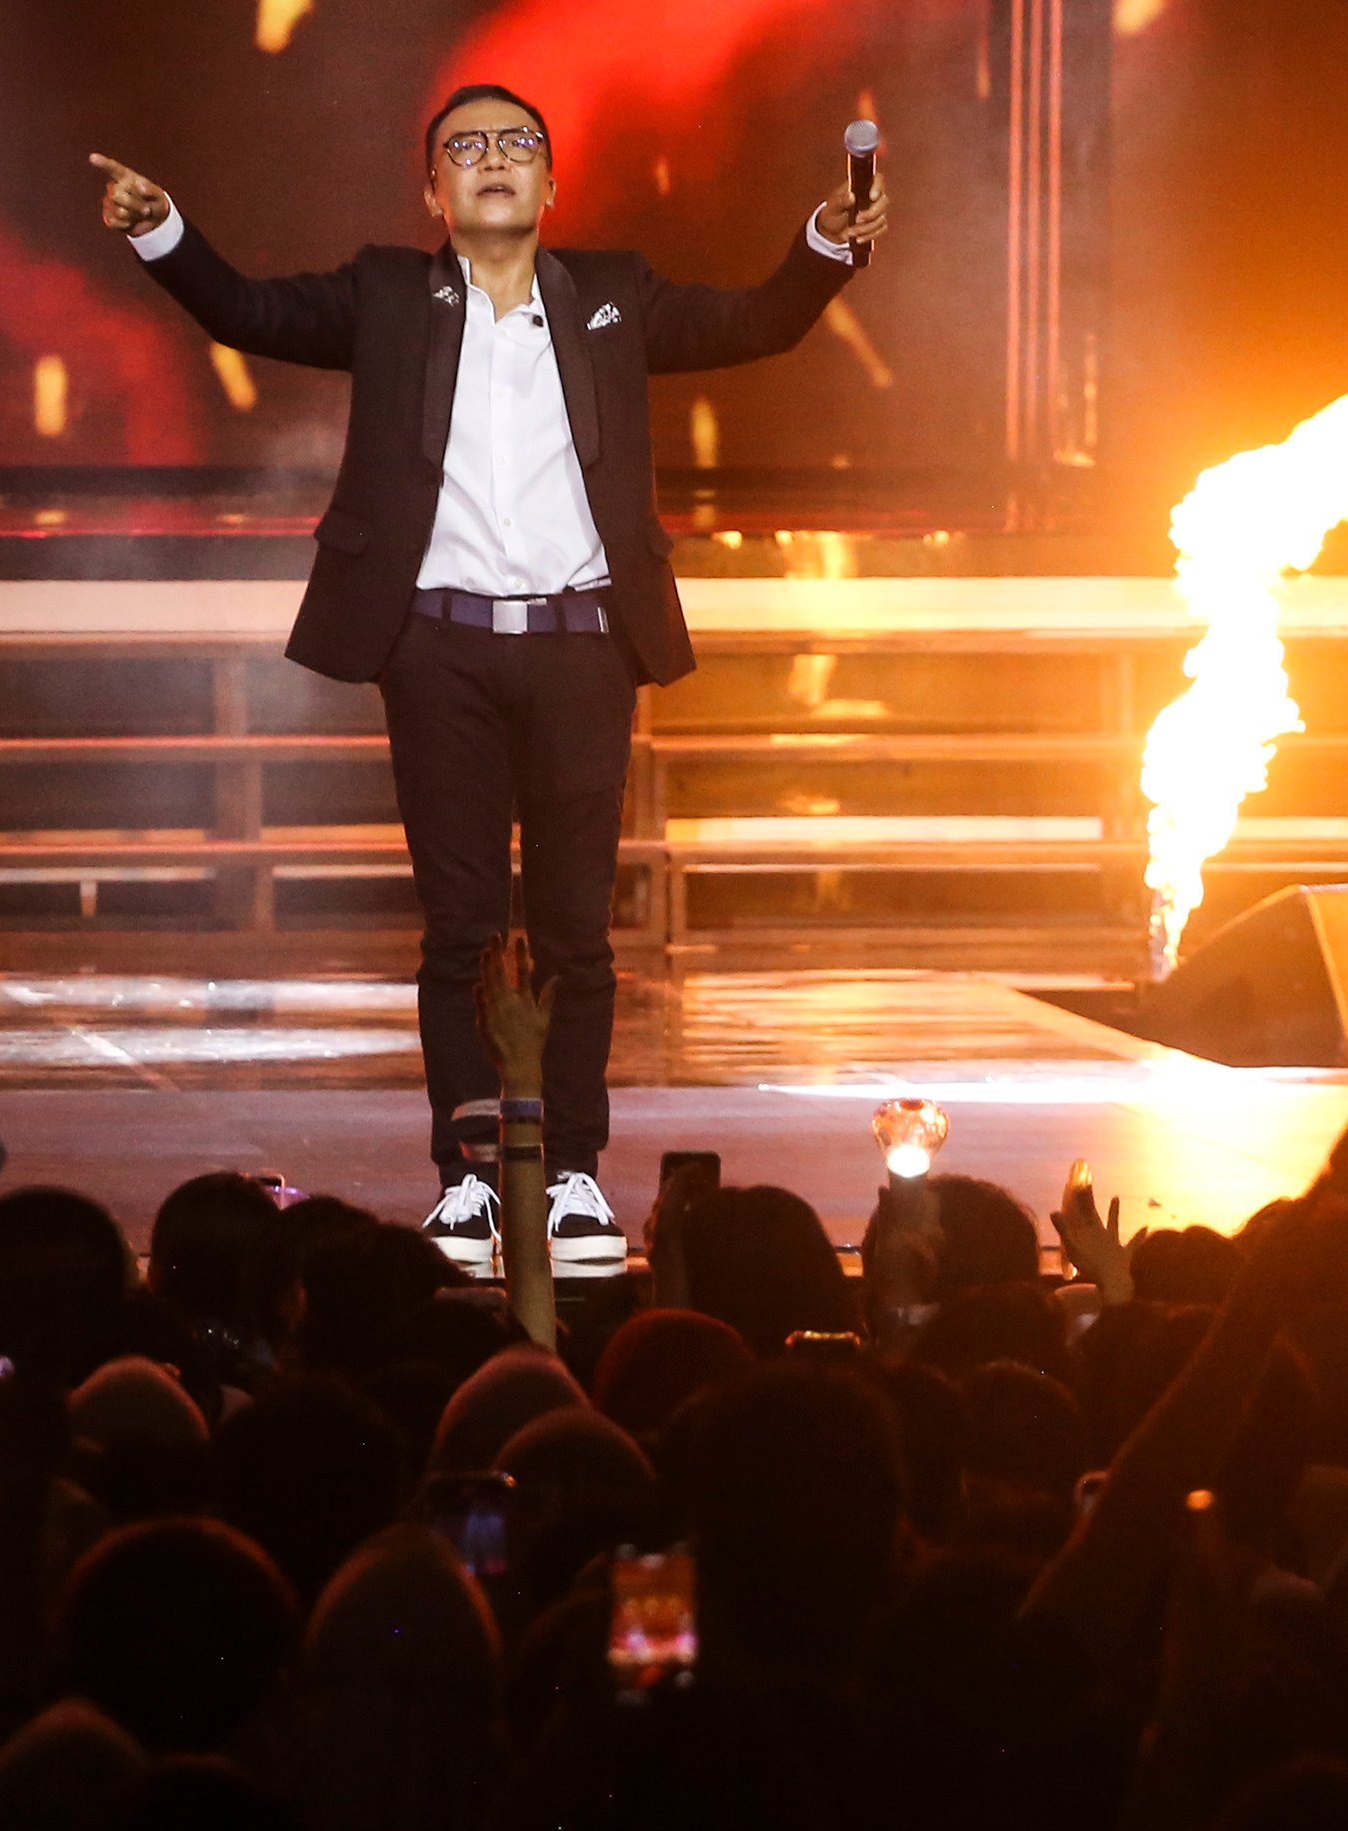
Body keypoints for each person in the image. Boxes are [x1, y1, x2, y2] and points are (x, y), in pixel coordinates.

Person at [91, 90, 889, 1277]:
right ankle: (468, 1176)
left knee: (575, 935)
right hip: (438, 649)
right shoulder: (385, 298)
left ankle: (568, 1170)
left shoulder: (612, 294)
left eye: (517, 144)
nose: (492, 162)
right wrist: (161, 230)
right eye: (463, 149)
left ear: (552, 187)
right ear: (432, 194)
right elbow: (248, 311)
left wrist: (827, 240)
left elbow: (758, 323)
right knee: (461, 931)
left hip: (580, 647)